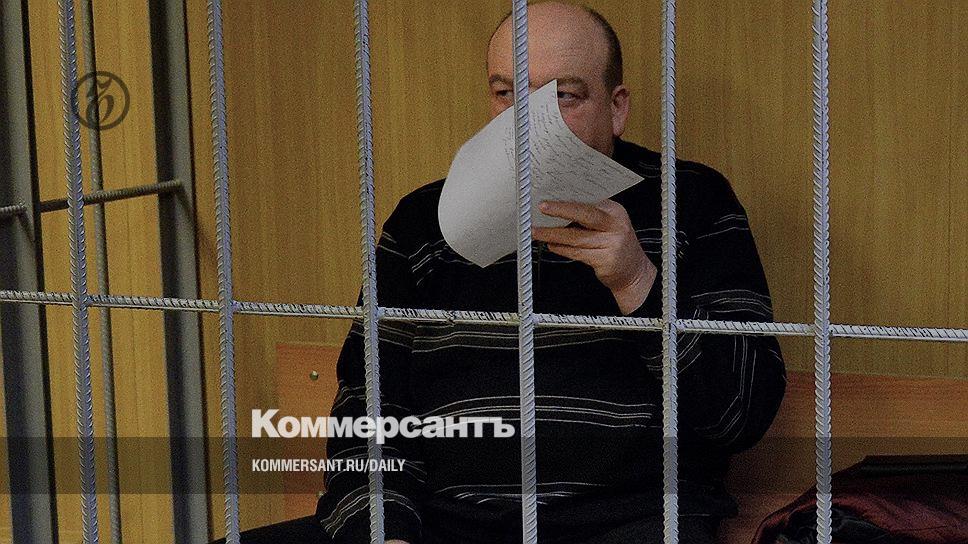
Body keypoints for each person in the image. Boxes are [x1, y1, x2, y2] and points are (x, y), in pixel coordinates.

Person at [315, 2, 786, 543]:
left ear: (616, 108)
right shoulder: (424, 221)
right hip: (446, 523)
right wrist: (384, 528)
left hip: (630, 522)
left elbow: (739, 415)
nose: (526, 121)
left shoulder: (692, 201)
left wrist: (637, 281)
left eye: (563, 95)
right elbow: (368, 409)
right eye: (505, 92)